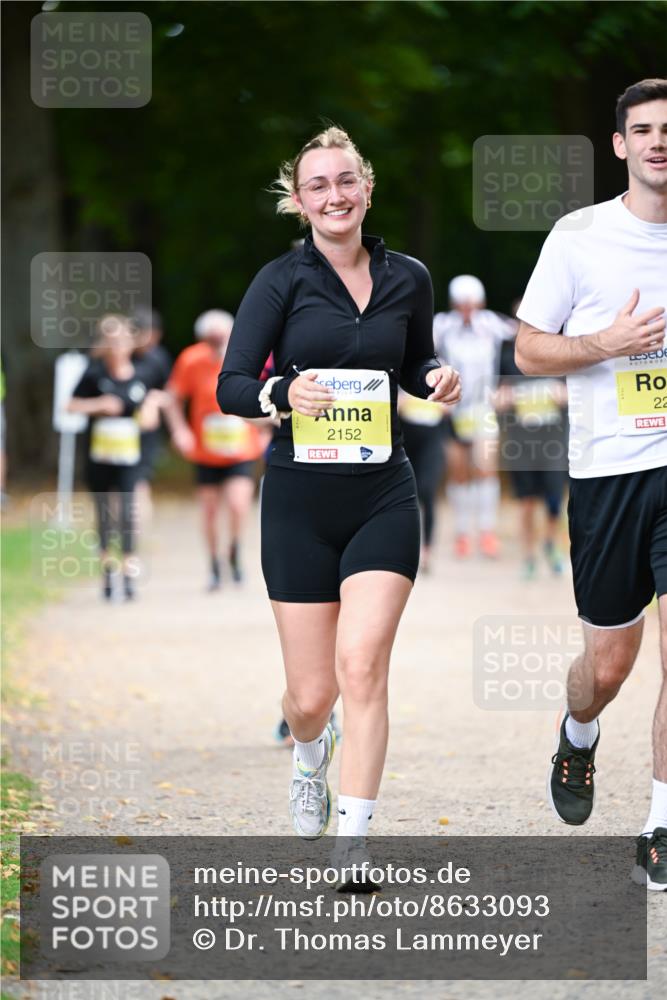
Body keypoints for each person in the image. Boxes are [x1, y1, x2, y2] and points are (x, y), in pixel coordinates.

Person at [217, 126, 460, 886]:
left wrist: (437, 378)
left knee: (363, 667)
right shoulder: (279, 281)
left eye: (345, 180)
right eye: (318, 185)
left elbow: (414, 359)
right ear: (298, 200)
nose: (334, 195)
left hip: (384, 494)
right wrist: (279, 390)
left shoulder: (408, 276)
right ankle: (307, 751)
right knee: (311, 696)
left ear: (366, 186)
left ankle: (352, 844)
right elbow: (230, 387)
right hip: (298, 500)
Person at [516, 78, 667, 890]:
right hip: (608, 471)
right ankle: (577, 734)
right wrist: (607, 341)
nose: (657, 141)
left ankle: (660, 822)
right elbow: (529, 351)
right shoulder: (578, 238)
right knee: (606, 666)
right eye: (641, 130)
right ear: (619, 146)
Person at [165, 310, 269, 591]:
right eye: (211, 340)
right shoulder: (191, 359)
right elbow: (172, 398)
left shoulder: (247, 357)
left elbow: (267, 394)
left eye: (222, 338)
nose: (217, 344)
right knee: (210, 509)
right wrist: (180, 430)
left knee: (238, 505)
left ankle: (234, 550)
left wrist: (265, 432)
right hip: (206, 450)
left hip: (241, 449)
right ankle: (213, 563)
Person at [67, 315, 163, 600]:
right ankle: (108, 575)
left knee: (128, 513)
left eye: (122, 340)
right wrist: (99, 405)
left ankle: (129, 574)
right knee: (105, 517)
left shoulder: (144, 373)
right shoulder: (94, 373)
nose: (117, 346)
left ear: (131, 343)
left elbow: (152, 411)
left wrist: (150, 412)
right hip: (99, 456)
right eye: (112, 341)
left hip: (130, 457)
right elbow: (70, 404)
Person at [433, 276, 516, 559]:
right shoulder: (442, 325)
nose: (467, 310)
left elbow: (522, 343)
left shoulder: (492, 323)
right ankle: (462, 533)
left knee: (485, 467)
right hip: (453, 408)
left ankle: (487, 531)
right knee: (458, 471)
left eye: (472, 304)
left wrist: (507, 386)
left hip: (483, 406)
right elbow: (420, 352)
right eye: (462, 305)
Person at [496, 317, 568, 580]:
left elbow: (577, 395)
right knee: (526, 501)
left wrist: (562, 396)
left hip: (553, 443)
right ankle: (528, 555)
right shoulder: (509, 360)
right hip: (521, 443)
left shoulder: (561, 358)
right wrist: (504, 401)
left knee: (553, 501)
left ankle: (550, 544)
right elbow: (497, 398)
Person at [397, 390, 447, 573]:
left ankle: (427, 550)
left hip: (432, 438)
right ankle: (406, 549)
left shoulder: (443, 363)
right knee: (407, 494)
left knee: (427, 491)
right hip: (406, 437)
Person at [131, 308, 173, 527]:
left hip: (146, 433)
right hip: (119, 433)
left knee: (139, 483)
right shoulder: (117, 355)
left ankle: (133, 544)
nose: (151, 344)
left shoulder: (158, 358)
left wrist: (155, 401)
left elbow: (170, 393)